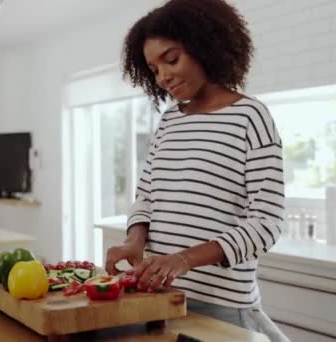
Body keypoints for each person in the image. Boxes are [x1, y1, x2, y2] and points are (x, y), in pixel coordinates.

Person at [105, 0, 289, 341]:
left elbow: (267, 223)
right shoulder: (169, 122)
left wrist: (184, 259)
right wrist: (134, 240)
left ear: (205, 45)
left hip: (224, 304)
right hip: (161, 300)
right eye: (154, 69)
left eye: (171, 59)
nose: (163, 77)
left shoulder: (251, 117)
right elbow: (147, 197)